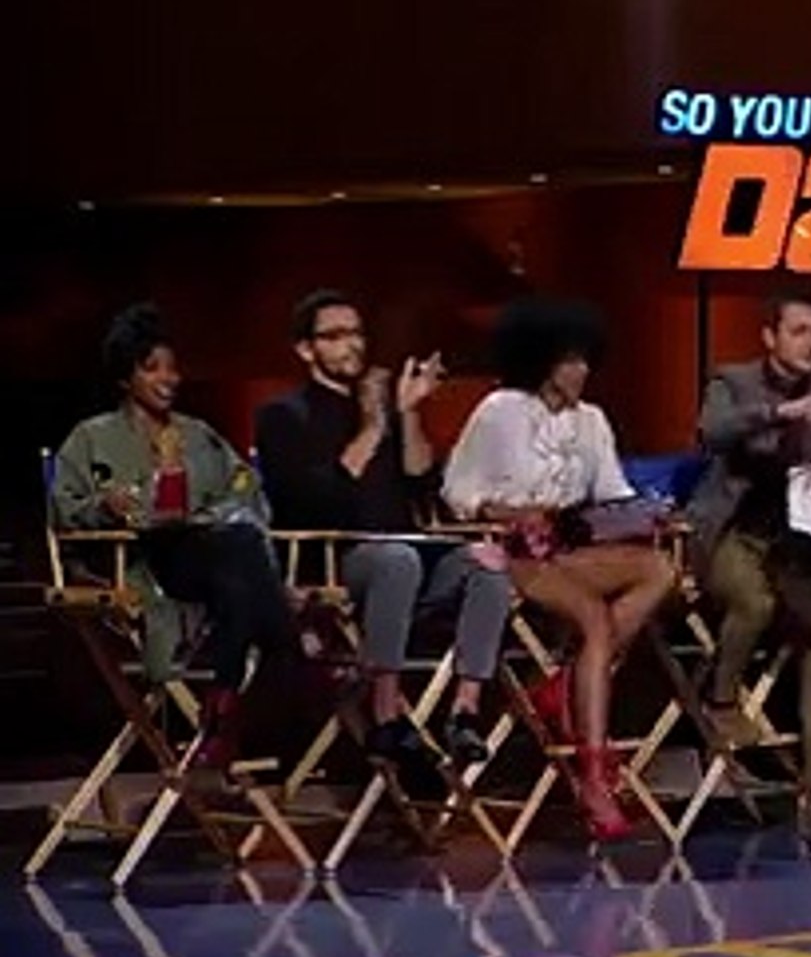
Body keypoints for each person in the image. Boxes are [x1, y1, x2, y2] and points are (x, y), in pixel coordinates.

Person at [441, 300, 677, 841]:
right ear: (542, 361)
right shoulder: (500, 411)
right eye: (571, 361)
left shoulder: (591, 420)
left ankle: (566, 685)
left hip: (568, 548)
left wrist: (647, 514)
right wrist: (513, 512)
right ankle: (593, 775)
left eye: (586, 360)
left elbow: (612, 493)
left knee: (659, 569)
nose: (582, 371)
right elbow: (458, 493)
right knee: (593, 619)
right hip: (512, 552)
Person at [255, 289, 513, 767]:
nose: (352, 345)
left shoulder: (387, 407)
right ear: (306, 349)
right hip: (334, 563)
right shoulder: (284, 417)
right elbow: (312, 502)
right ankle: (385, 715)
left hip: (410, 555)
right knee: (396, 559)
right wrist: (373, 427)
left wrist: (409, 412)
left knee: (488, 566)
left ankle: (465, 713)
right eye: (335, 336)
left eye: (356, 333)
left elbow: (421, 483)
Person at [52, 304, 301, 771]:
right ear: (125, 378)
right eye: (152, 368)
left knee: (237, 565)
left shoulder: (198, 435)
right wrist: (104, 507)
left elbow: (245, 486)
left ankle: (221, 708)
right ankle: (287, 654)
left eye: (172, 368)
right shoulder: (91, 438)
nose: (169, 379)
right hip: (144, 561)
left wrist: (209, 513)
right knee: (242, 560)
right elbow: (65, 510)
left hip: (210, 555)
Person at [686, 292, 811, 847]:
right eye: (798, 331)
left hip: (795, 544)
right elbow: (711, 432)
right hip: (732, 534)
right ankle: (721, 701)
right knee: (755, 601)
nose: (810, 342)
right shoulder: (732, 382)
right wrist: (779, 413)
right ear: (770, 337)